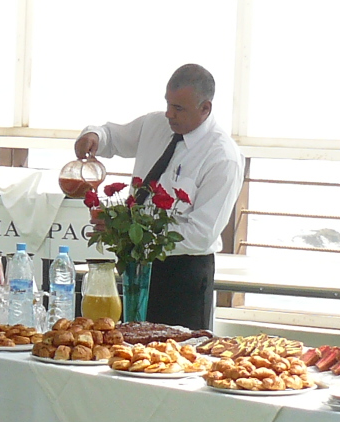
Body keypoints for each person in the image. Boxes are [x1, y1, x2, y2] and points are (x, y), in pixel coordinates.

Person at [74, 63, 243, 330]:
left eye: (179, 108)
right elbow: (113, 137)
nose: (169, 114)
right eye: (168, 103)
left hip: (183, 274)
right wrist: (93, 136)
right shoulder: (156, 125)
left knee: (178, 352)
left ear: (205, 108)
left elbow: (201, 234)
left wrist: (131, 232)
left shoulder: (223, 157)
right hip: (135, 264)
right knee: (127, 344)